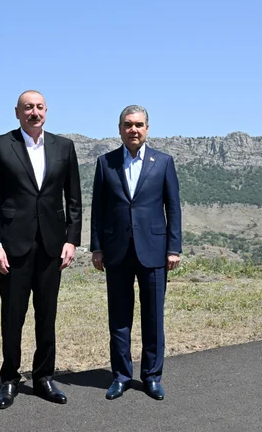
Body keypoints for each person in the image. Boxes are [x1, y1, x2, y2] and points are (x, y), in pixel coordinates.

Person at [0, 90, 82, 409]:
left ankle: (43, 378)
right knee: (13, 314)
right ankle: (9, 379)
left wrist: (71, 239)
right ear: (17, 112)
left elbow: (74, 199)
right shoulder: (0, 145)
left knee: (46, 315)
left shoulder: (63, 147)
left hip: (52, 245)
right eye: (28, 107)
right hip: (13, 246)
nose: (34, 112)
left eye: (39, 107)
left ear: (46, 111)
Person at [90, 104, 182, 401]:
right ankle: (121, 376)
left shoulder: (163, 162)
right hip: (116, 251)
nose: (133, 129)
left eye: (139, 124)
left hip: (154, 251)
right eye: (128, 124)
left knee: (153, 317)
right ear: (119, 129)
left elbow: (173, 207)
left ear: (147, 128)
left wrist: (174, 248)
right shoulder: (106, 163)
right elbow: (98, 209)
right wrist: (97, 247)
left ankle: (152, 376)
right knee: (119, 316)